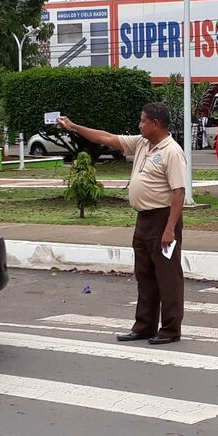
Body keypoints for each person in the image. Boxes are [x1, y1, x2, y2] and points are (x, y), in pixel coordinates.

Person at [57, 103, 186, 345]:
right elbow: (106, 137)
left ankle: (170, 329)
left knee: (167, 277)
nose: (139, 125)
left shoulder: (172, 151)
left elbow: (178, 192)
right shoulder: (142, 143)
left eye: (142, 120)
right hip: (144, 218)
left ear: (155, 124)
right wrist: (73, 126)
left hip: (163, 218)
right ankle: (144, 326)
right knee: (144, 274)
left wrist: (170, 229)